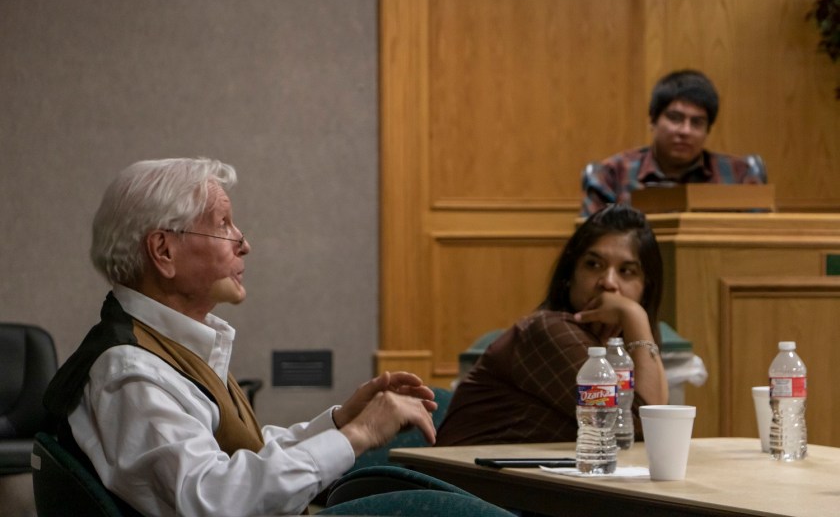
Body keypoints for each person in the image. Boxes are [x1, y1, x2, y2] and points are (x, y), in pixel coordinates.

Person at [43, 158, 438, 516]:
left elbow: (239, 457)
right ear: (163, 251)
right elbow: (214, 501)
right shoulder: (130, 371)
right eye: (223, 225)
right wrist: (361, 433)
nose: (244, 244)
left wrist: (338, 423)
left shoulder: (165, 346)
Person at [435, 205, 668, 446]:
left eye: (626, 271)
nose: (608, 283)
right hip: (463, 481)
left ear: (646, 287)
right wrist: (635, 315)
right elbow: (643, 430)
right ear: (570, 275)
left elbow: (657, 426)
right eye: (593, 265)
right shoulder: (549, 331)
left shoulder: (613, 349)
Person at [581, 69, 766, 216]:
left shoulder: (740, 175)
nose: (685, 131)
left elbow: (762, 239)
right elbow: (590, 245)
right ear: (653, 121)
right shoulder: (613, 175)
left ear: (707, 130)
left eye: (697, 122)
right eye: (675, 118)